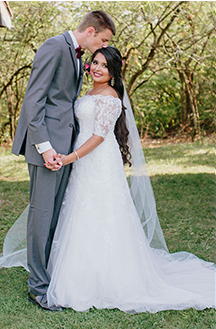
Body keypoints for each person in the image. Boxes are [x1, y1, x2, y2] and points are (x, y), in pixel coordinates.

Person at [44, 46, 215, 313]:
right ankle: (80, 269)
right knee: (81, 208)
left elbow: (100, 136)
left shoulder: (111, 97)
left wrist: (69, 158)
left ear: (113, 72)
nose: (97, 68)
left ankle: (109, 278)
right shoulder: (89, 91)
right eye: (95, 63)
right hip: (83, 158)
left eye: (104, 66)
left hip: (97, 158)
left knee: (103, 211)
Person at [11, 10, 116, 311]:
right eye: (104, 40)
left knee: (55, 216)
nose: (102, 48)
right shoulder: (54, 46)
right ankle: (38, 288)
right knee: (42, 218)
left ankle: (48, 275)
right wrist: (45, 148)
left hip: (64, 149)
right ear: (92, 31)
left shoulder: (74, 53)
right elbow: (34, 100)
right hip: (48, 149)